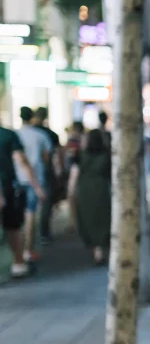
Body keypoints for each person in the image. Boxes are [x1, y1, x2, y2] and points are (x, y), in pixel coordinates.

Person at [1, 119, 45, 279]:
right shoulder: (8, 135)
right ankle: (18, 262)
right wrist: (37, 187)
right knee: (13, 226)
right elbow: (21, 160)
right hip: (8, 186)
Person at [68, 129, 111, 265]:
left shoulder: (80, 156)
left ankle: (96, 251)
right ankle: (100, 251)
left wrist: (70, 195)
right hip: (102, 191)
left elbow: (73, 178)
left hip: (85, 192)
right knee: (102, 221)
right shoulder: (107, 156)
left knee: (89, 221)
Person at [15, 107, 52, 265]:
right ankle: (28, 250)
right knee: (30, 214)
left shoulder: (15, 135)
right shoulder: (40, 135)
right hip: (35, 178)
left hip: (16, 179)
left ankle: (20, 251)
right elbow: (46, 158)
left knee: (17, 218)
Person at [32, 107, 63, 244]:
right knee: (46, 203)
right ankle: (43, 232)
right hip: (45, 172)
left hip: (27, 173)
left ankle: (31, 235)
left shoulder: (27, 133)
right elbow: (56, 155)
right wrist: (59, 171)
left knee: (30, 206)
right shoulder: (50, 134)